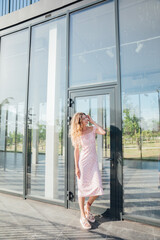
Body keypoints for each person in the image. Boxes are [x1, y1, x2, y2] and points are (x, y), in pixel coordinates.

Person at [70, 112, 106, 229]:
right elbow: (76, 151)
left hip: (93, 162)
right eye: (84, 118)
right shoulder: (78, 133)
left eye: (86, 117)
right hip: (83, 164)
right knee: (82, 188)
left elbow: (103, 132)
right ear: (79, 121)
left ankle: (88, 206)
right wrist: (76, 167)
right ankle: (82, 216)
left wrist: (93, 121)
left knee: (98, 186)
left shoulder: (92, 128)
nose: (86, 119)